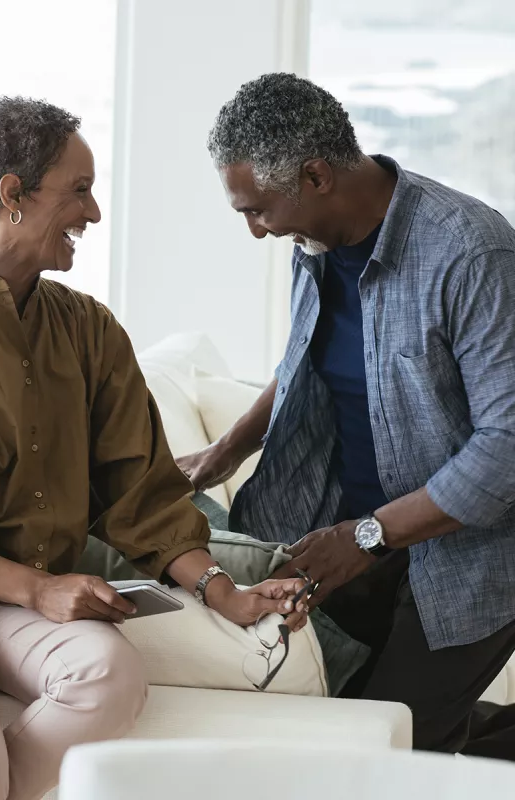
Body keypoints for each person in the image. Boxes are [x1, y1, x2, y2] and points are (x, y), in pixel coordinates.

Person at [0, 96, 307, 800]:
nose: (95, 213)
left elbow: (141, 489)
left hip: (12, 592)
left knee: (109, 676)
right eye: (79, 190)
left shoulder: (88, 329)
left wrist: (222, 592)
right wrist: (41, 590)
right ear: (12, 194)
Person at [179, 73, 515, 760]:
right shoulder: (316, 245)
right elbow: (303, 365)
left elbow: (505, 449)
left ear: (315, 175)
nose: (254, 231)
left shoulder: (472, 251)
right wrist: (222, 454)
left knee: (384, 755)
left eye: (257, 210)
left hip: (468, 559)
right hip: (348, 532)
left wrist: (366, 537)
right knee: (350, 723)